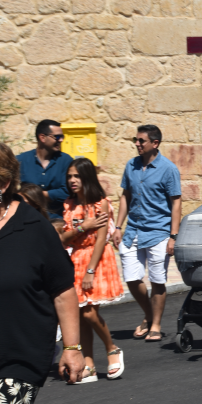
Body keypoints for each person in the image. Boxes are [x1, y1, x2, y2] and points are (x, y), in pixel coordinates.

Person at [0, 142, 86, 404]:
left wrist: (72, 347)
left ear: (3, 183)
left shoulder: (34, 227)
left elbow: (62, 290)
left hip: (18, 355)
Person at [112, 125, 182, 342]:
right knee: (132, 278)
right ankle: (149, 315)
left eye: (141, 140)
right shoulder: (131, 166)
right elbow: (125, 195)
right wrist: (117, 226)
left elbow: (176, 203)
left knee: (157, 280)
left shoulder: (168, 169)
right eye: (136, 140)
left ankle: (156, 325)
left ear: (155, 143)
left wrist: (173, 236)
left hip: (159, 231)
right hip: (132, 230)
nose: (137, 144)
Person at [61, 158, 125, 383]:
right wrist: (83, 226)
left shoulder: (100, 203)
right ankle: (89, 364)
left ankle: (112, 349)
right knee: (80, 315)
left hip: (96, 260)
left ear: (86, 177)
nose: (72, 180)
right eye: (69, 176)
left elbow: (100, 240)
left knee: (89, 312)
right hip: (76, 257)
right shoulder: (69, 204)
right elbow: (64, 238)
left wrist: (90, 271)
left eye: (76, 176)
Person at [16, 119, 73, 218]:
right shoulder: (21, 160)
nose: (61, 140)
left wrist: (37, 195)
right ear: (42, 137)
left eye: (62, 137)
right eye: (57, 137)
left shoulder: (66, 161)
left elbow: (68, 192)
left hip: (57, 221)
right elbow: (7, 187)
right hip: (27, 219)